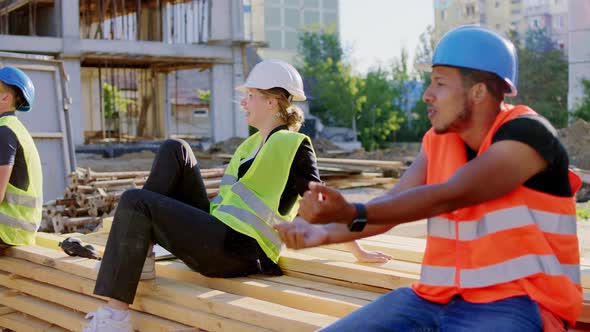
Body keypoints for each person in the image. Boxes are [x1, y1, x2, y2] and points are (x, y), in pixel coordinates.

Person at [275, 25, 582, 332]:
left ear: (478, 92)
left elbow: (454, 193)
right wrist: (325, 232)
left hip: (517, 302)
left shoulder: (529, 136)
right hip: (433, 299)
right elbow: (392, 204)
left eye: (439, 83)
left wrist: (351, 212)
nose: (427, 95)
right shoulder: (438, 141)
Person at [83, 59, 387, 332]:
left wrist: (358, 251)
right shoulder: (249, 146)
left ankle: (115, 319)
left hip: (240, 250)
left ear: (272, 101)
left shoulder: (294, 145)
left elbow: (322, 204)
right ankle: (144, 257)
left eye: (250, 95)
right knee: (176, 148)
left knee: (135, 200)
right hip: (218, 233)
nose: (243, 102)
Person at [0, 66, 42, 248]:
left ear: (4, 97)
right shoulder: (15, 128)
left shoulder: (5, 132)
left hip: (8, 231)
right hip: (19, 229)